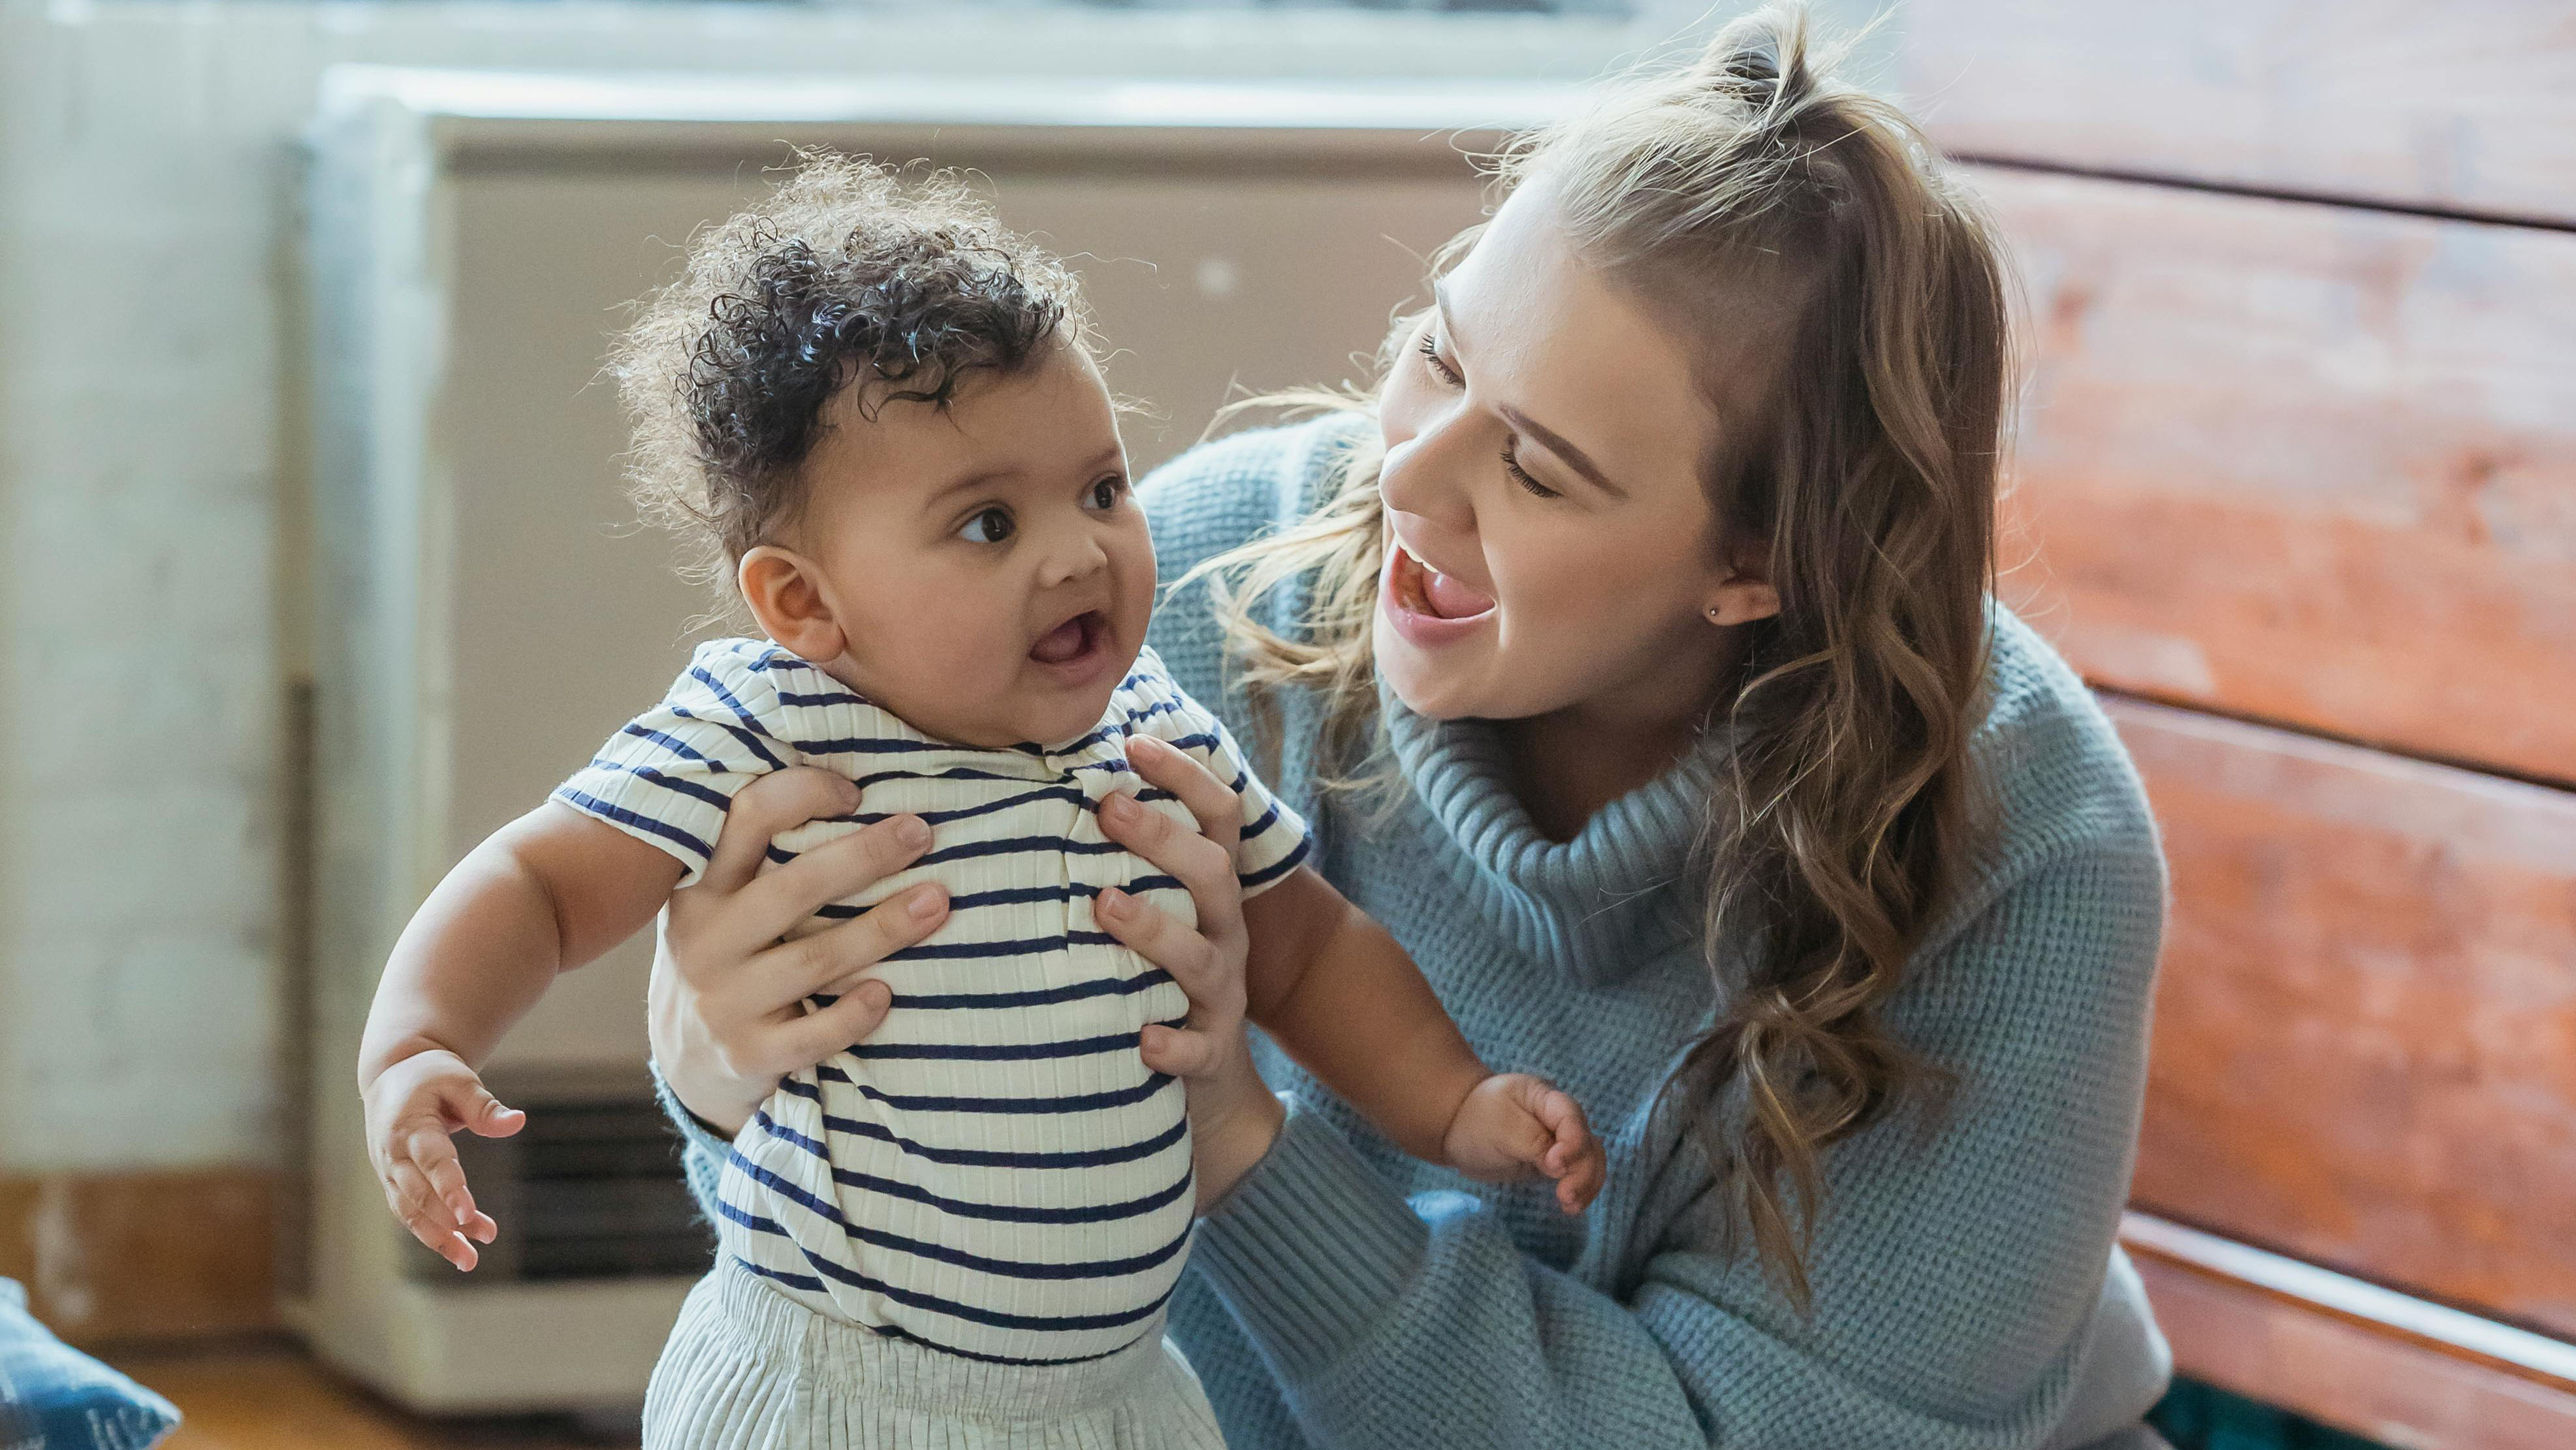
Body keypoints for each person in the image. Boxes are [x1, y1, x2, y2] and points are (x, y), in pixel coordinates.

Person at [647, 7, 2179, 1447]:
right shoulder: (1157, 615)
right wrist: (727, 1066)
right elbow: (860, 1255)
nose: (1406, 480)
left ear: (1752, 565)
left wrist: (1241, 1137)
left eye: (1538, 468)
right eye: (1441, 353)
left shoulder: (2023, 849)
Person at [353, 157, 1603, 1449]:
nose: (1079, 551)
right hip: (841, 1397)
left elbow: (1305, 944)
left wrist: (1450, 1103)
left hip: (1113, 1396)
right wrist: (417, 1042)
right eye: (988, 524)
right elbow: (542, 885)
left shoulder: (1157, 727)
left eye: (1102, 490)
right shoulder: (763, 726)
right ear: (805, 604)